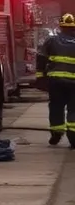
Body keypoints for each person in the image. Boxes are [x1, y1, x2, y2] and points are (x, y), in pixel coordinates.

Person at [37, 14, 75, 147]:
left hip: (56, 81)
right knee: (74, 109)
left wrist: (40, 77)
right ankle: (73, 137)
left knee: (56, 107)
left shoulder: (51, 41)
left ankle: (56, 133)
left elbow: (41, 58)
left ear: (61, 27)